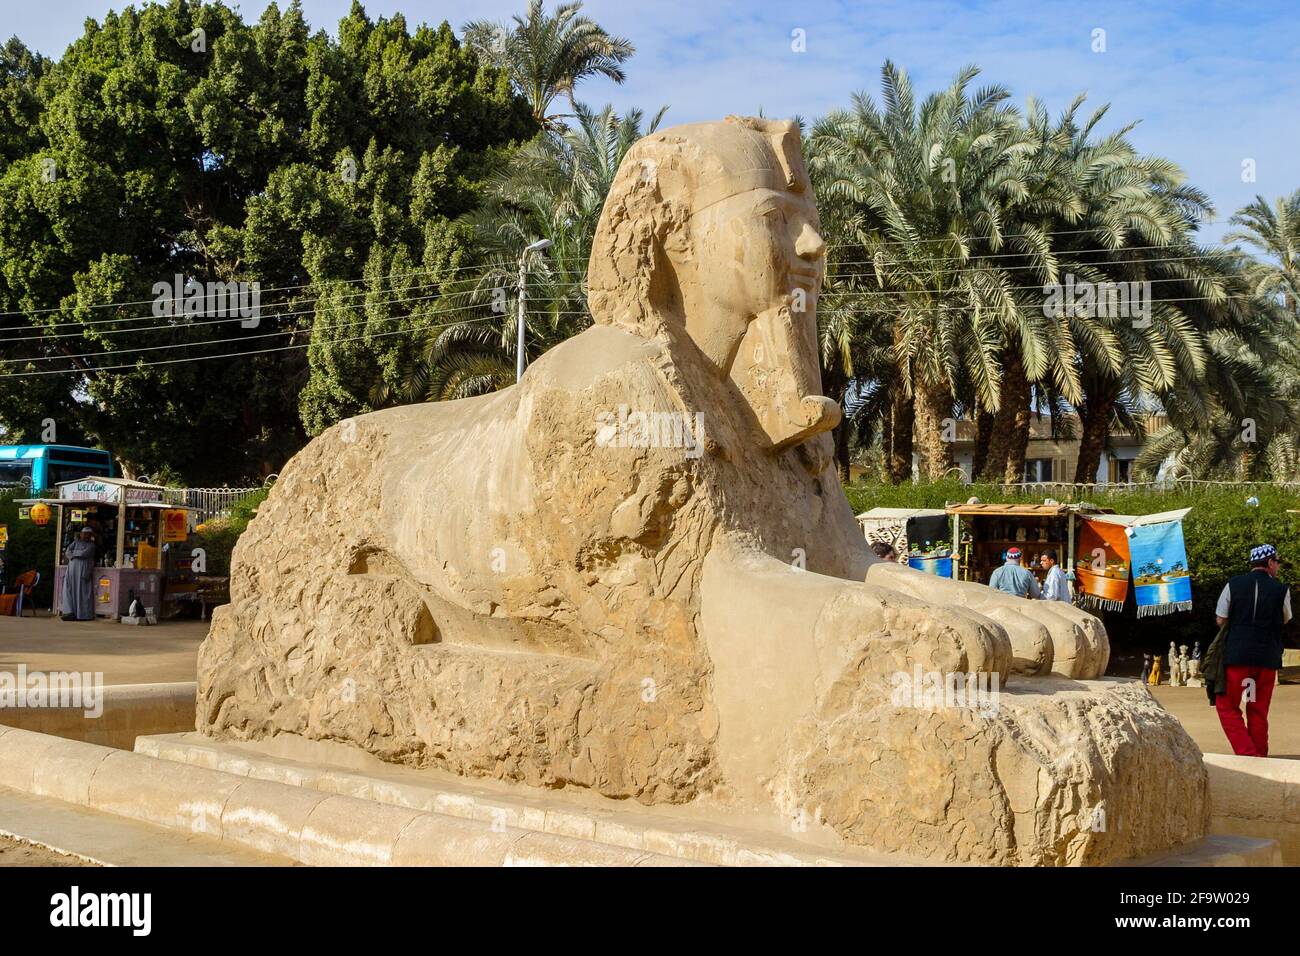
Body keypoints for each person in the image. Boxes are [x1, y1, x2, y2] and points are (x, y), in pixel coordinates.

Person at [1213, 544, 1291, 756]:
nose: (1278, 567)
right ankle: (1259, 754)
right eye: (1277, 562)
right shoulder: (1281, 589)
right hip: (1267, 659)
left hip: (1237, 656)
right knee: (1257, 707)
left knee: (1227, 705)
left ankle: (1247, 753)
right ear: (1269, 563)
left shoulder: (1233, 584)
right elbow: (1286, 618)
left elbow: (1221, 618)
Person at [60, 525, 97, 622]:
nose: (85, 536)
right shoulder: (76, 542)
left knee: (82, 591)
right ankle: (69, 612)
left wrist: (74, 553)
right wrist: (74, 554)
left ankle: (83, 614)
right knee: (69, 589)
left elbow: (84, 553)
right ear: (81, 534)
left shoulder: (92, 545)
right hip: (72, 569)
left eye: (87, 534)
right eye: (84, 534)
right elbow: (68, 551)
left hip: (83, 568)